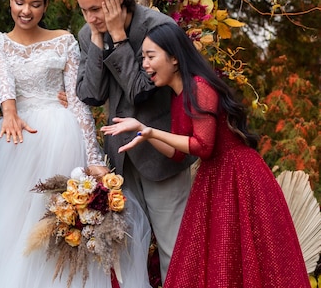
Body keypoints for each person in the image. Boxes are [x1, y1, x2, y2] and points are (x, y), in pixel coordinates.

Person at [0, 0, 151, 288]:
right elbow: (3, 80)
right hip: (18, 136)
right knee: (12, 226)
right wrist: (10, 112)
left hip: (63, 135)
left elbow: (78, 101)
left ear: (45, 6)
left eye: (34, 4)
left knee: (62, 223)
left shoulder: (65, 40)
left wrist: (94, 155)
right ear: (9, 1)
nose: (26, 11)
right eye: (19, 2)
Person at [101, 22, 310, 288]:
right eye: (143, 57)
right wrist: (145, 133)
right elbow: (177, 153)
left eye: (151, 56)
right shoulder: (178, 95)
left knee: (241, 259)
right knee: (216, 261)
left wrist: (151, 130)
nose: (145, 64)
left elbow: (203, 146)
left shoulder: (199, 87)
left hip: (239, 176)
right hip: (216, 176)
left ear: (174, 58)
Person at [72, 0, 196, 282]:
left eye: (96, 9)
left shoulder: (159, 26)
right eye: (84, 11)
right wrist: (100, 39)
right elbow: (90, 94)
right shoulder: (89, 33)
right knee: (127, 254)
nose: (90, 18)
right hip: (120, 161)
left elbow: (141, 91)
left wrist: (118, 36)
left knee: (174, 249)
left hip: (160, 156)